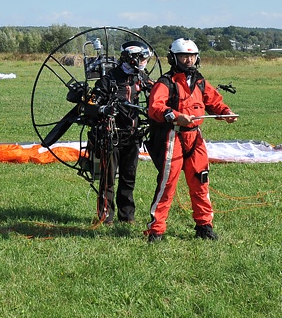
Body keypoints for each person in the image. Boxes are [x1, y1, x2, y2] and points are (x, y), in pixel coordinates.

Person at [144, 38, 237, 242]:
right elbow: (155, 108)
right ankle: (156, 230)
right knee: (168, 183)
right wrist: (176, 116)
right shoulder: (165, 82)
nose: (188, 60)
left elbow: (214, 101)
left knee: (200, 180)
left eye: (192, 56)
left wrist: (226, 112)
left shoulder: (200, 81)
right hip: (172, 136)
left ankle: (204, 226)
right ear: (173, 58)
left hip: (195, 138)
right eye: (184, 56)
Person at [94, 41, 154, 225]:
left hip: (133, 136)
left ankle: (127, 216)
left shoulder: (141, 78)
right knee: (108, 179)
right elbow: (90, 104)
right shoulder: (109, 79)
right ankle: (106, 217)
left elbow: (157, 94)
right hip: (111, 136)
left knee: (129, 177)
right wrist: (103, 109)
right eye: (142, 58)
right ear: (131, 58)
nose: (144, 62)